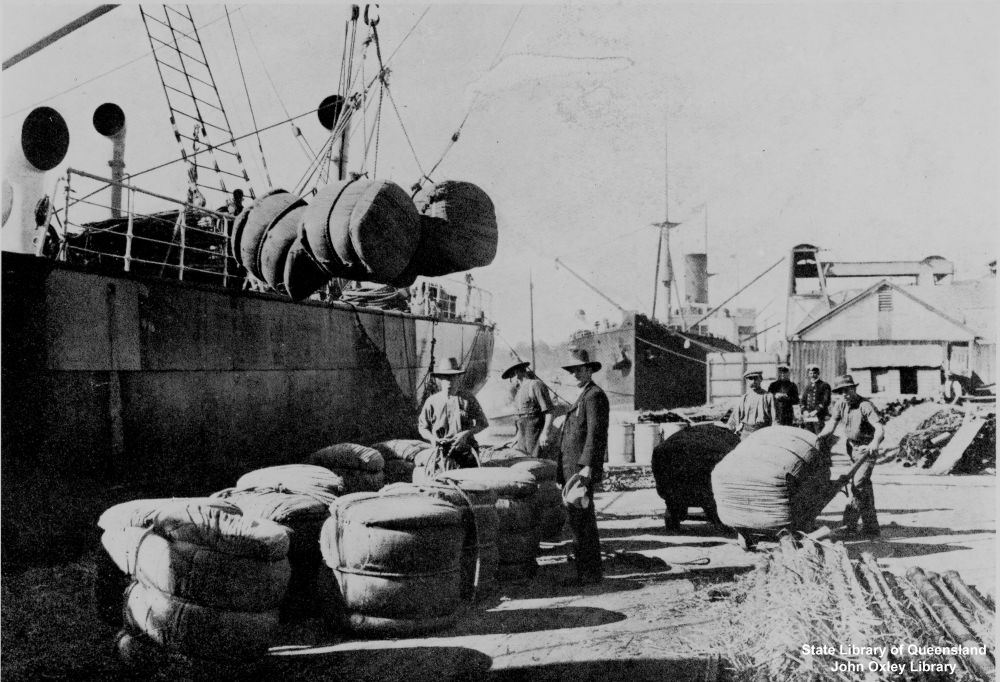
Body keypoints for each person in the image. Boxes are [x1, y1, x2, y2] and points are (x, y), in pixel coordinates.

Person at [557, 348, 609, 586]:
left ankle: (589, 574)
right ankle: (585, 572)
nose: (575, 374)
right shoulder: (583, 396)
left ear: (590, 370)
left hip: (581, 471)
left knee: (583, 521)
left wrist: (587, 466)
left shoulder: (594, 396)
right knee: (579, 520)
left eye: (580, 369)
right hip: (573, 470)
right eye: (572, 370)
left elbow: (596, 435)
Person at [816, 374, 884, 538]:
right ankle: (871, 527)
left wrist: (875, 443)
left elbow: (879, 428)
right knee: (864, 486)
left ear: (854, 389)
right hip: (851, 448)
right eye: (841, 392)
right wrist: (818, 437)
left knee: (858, 484)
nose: (844, 395)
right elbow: (831, 425)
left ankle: (850, 524)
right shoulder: (840, 405)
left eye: (847, 391)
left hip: (866, 450)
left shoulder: (865, 405)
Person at [418, 357, 489, 465]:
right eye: (445, 378)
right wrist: (432, 439)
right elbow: (422, 427)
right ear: (440, 379)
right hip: (442, 452)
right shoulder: (432, 402)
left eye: (452, 377)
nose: (449, 382)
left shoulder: (468, 398)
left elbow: (483, 423)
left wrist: (466, 434)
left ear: (458, 378)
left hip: (466, 452)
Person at [502, 360, 555, 457]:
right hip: (523, 434)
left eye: (511, 377)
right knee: (522, 459)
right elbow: (521, 419)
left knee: (535, 461)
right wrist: (516, 437)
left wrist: (545, 434)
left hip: (534, 432)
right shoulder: (519, 391)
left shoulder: (535, 385)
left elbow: (549, 412)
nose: (510, 382)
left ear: (517, 373)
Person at [727, 369, 778, 440]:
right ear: (746, 381)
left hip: (763, 432)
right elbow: (734, 419)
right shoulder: (744, 398)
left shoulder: (768, 396)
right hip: (746, 433)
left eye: (756, 378)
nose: (753, 381)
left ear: (761, 379)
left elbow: (775, 419)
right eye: (750, 379)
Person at [801, 363, 832, 434]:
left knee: (819, 435)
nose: (812, 375)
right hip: (808, 415)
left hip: (819, 415)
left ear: (818, 373)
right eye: (810, 373)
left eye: (814, 373)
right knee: (808, 434)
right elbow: (803, 401)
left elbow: (826, 401)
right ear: (808, 374)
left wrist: (816, 411)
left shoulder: (824, 385)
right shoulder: (807, 386)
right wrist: (804, 411)